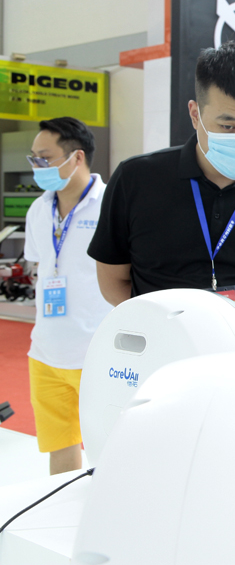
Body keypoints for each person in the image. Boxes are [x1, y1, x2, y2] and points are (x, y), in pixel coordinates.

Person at [88, 42, 235, 352]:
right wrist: (172, 334)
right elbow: (113, 282)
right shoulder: (135, 180)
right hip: (159, 362)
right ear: (195, 114)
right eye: (228, 126)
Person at [21, 117, 112, 474]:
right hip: (45, 352)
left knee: (109, 448)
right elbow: (43, 266)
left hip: (98, 353)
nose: (37, 166)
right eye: (34, 158)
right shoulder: (38, 209)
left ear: (77, 157)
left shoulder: (110, 205)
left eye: (44, 158)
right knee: (59, 446)